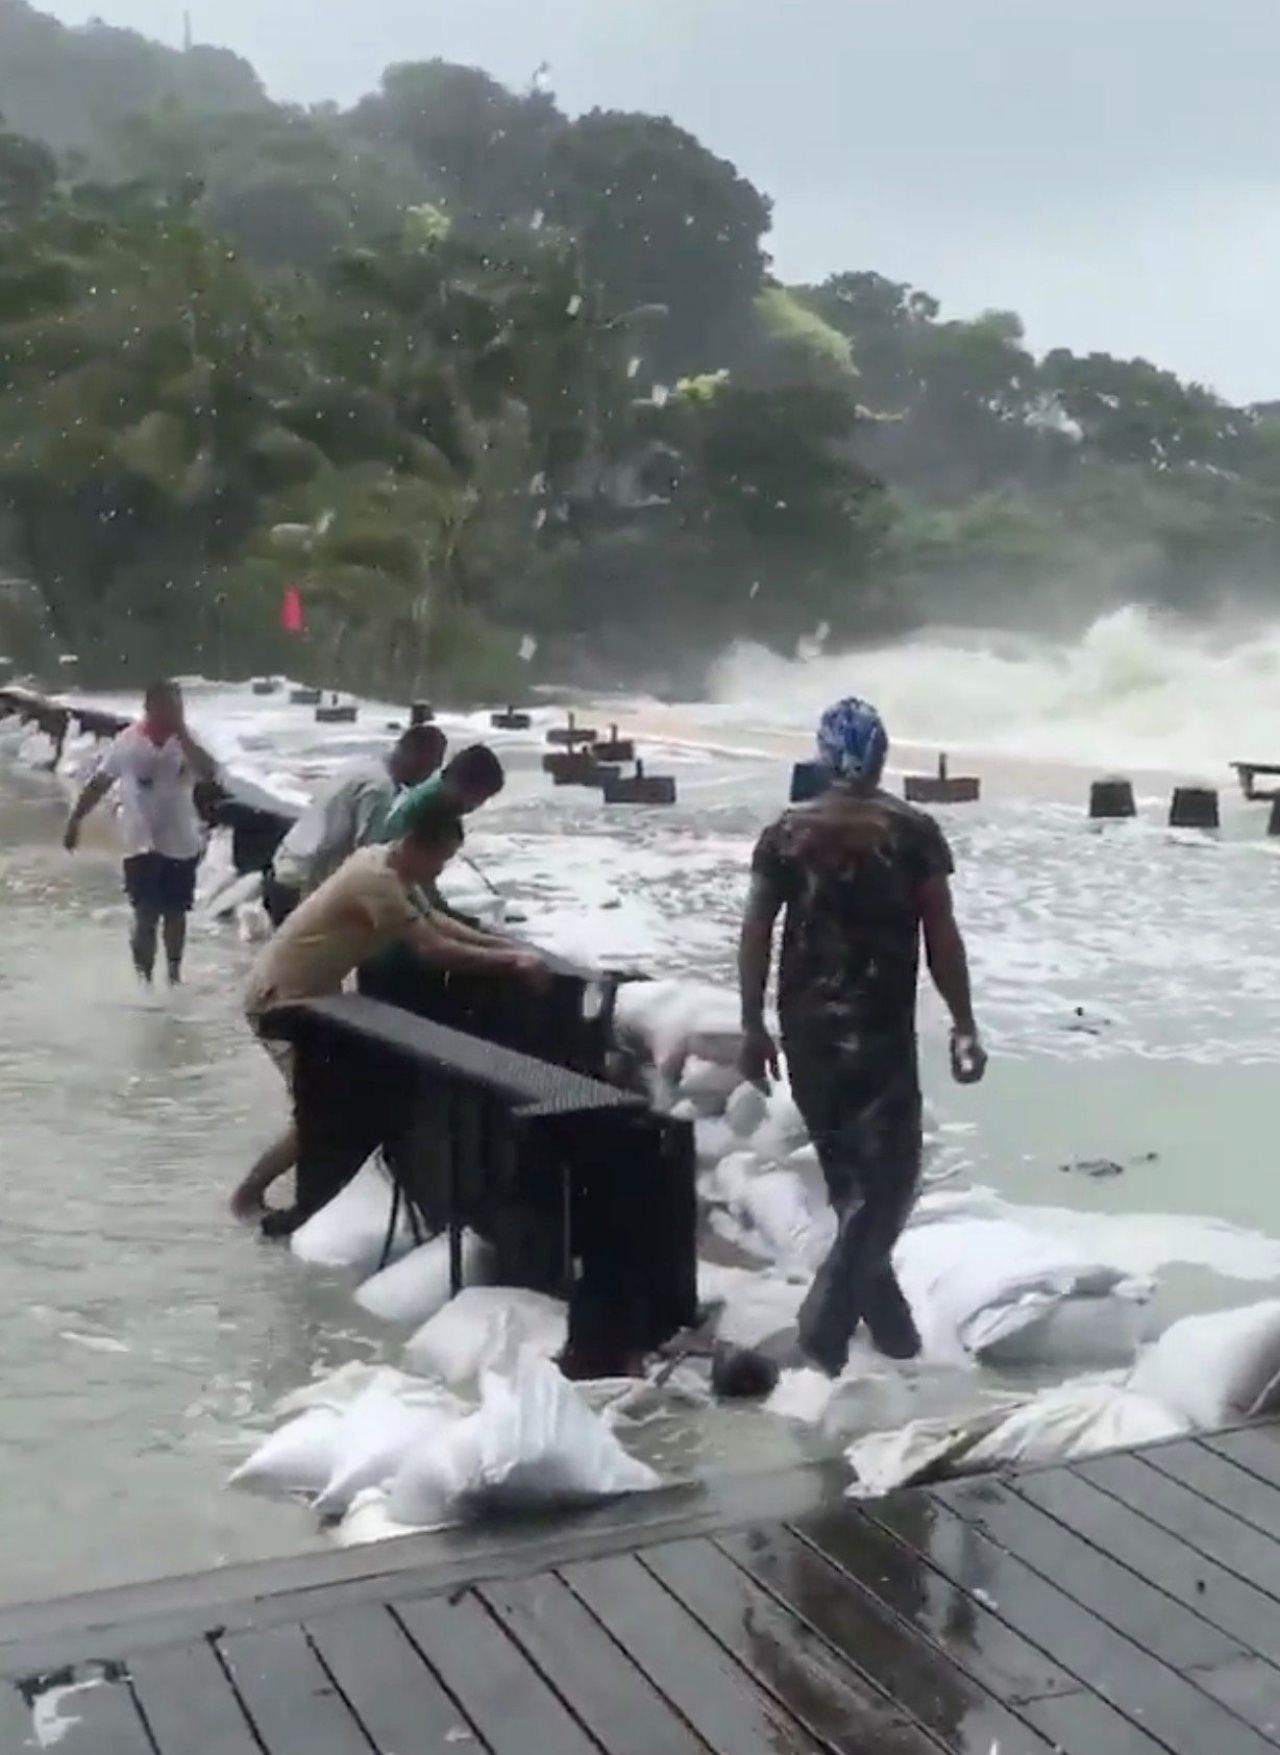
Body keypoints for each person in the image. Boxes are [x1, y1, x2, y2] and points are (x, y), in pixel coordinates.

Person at [738, 696, 986, 1374]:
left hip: (806, 1028)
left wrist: (751, 1023)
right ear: (881, 755)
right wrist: (963, 1023)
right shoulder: (911, 832)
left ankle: (897, 1336)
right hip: (877, 1032)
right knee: (891, 1183)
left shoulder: (787, 832)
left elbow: (757, 930)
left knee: (851, 1184)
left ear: (822, 755)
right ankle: (824, 1322)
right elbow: (941, 937)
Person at [232, 795, 547, 1221]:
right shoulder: (376, 880)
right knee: (316, 1114)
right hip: (280, 998)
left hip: (313, 997)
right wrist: (512, 962)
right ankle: (248, 1196)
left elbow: (436, 921)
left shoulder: (386, 862)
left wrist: (508, 948)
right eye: (442, 859)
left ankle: (292, 1197)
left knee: (325, 1107)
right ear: (418, 846)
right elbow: (434, 949)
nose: (441, 870)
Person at [63, 680, 218, 986]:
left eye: (179, 707)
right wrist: (75, 820)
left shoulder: (187, 741)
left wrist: (183, 734)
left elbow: (209, 772)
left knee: (176, 913)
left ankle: (174, 975)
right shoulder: (128, 742)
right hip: (139, 840)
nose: (175, 714)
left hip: (180, 840)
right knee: (146, 913)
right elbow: (100, 783)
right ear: (150, 708)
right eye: (168, 708)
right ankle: (144, 981)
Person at [264, 722, 447, 926]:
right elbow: (369, 859)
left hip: (284, 867)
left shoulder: (363, 766)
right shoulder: (380, 789)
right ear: (412, 755)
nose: (427, 776)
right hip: (300, 886)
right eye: (428, 766)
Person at [379, 743, 505, 840]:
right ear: (464, 787)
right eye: (479, 797)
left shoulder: (441, 789)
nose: (478, 805)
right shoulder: (431, 806)